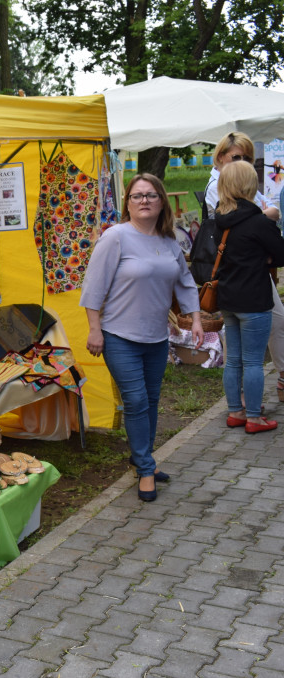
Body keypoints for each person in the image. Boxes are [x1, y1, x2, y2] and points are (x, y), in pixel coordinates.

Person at [81, 173, 203, 502]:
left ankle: (141, 458)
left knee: (150, 401)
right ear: (128, 203)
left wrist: (194, 318)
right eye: (137, 196)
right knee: (135, 402)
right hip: (119, 336)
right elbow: (93, 286)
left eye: (150, 195)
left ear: (162, 201)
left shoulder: (168, 241)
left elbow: (186, 283)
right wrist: (94, 329)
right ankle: (146, 469)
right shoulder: (115, 237)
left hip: (156, 337)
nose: (144, 200)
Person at [205, 132, 284, 403]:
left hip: (229, 291)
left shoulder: (224, 215)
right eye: (237, 158)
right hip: (252, 293)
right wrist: (266, 252)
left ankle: (236, 411)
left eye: (247, 158)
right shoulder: (256, 220)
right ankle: (252, 414)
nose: (244, 163)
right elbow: (279, 251)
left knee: (235, 361)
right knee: (251, 362)